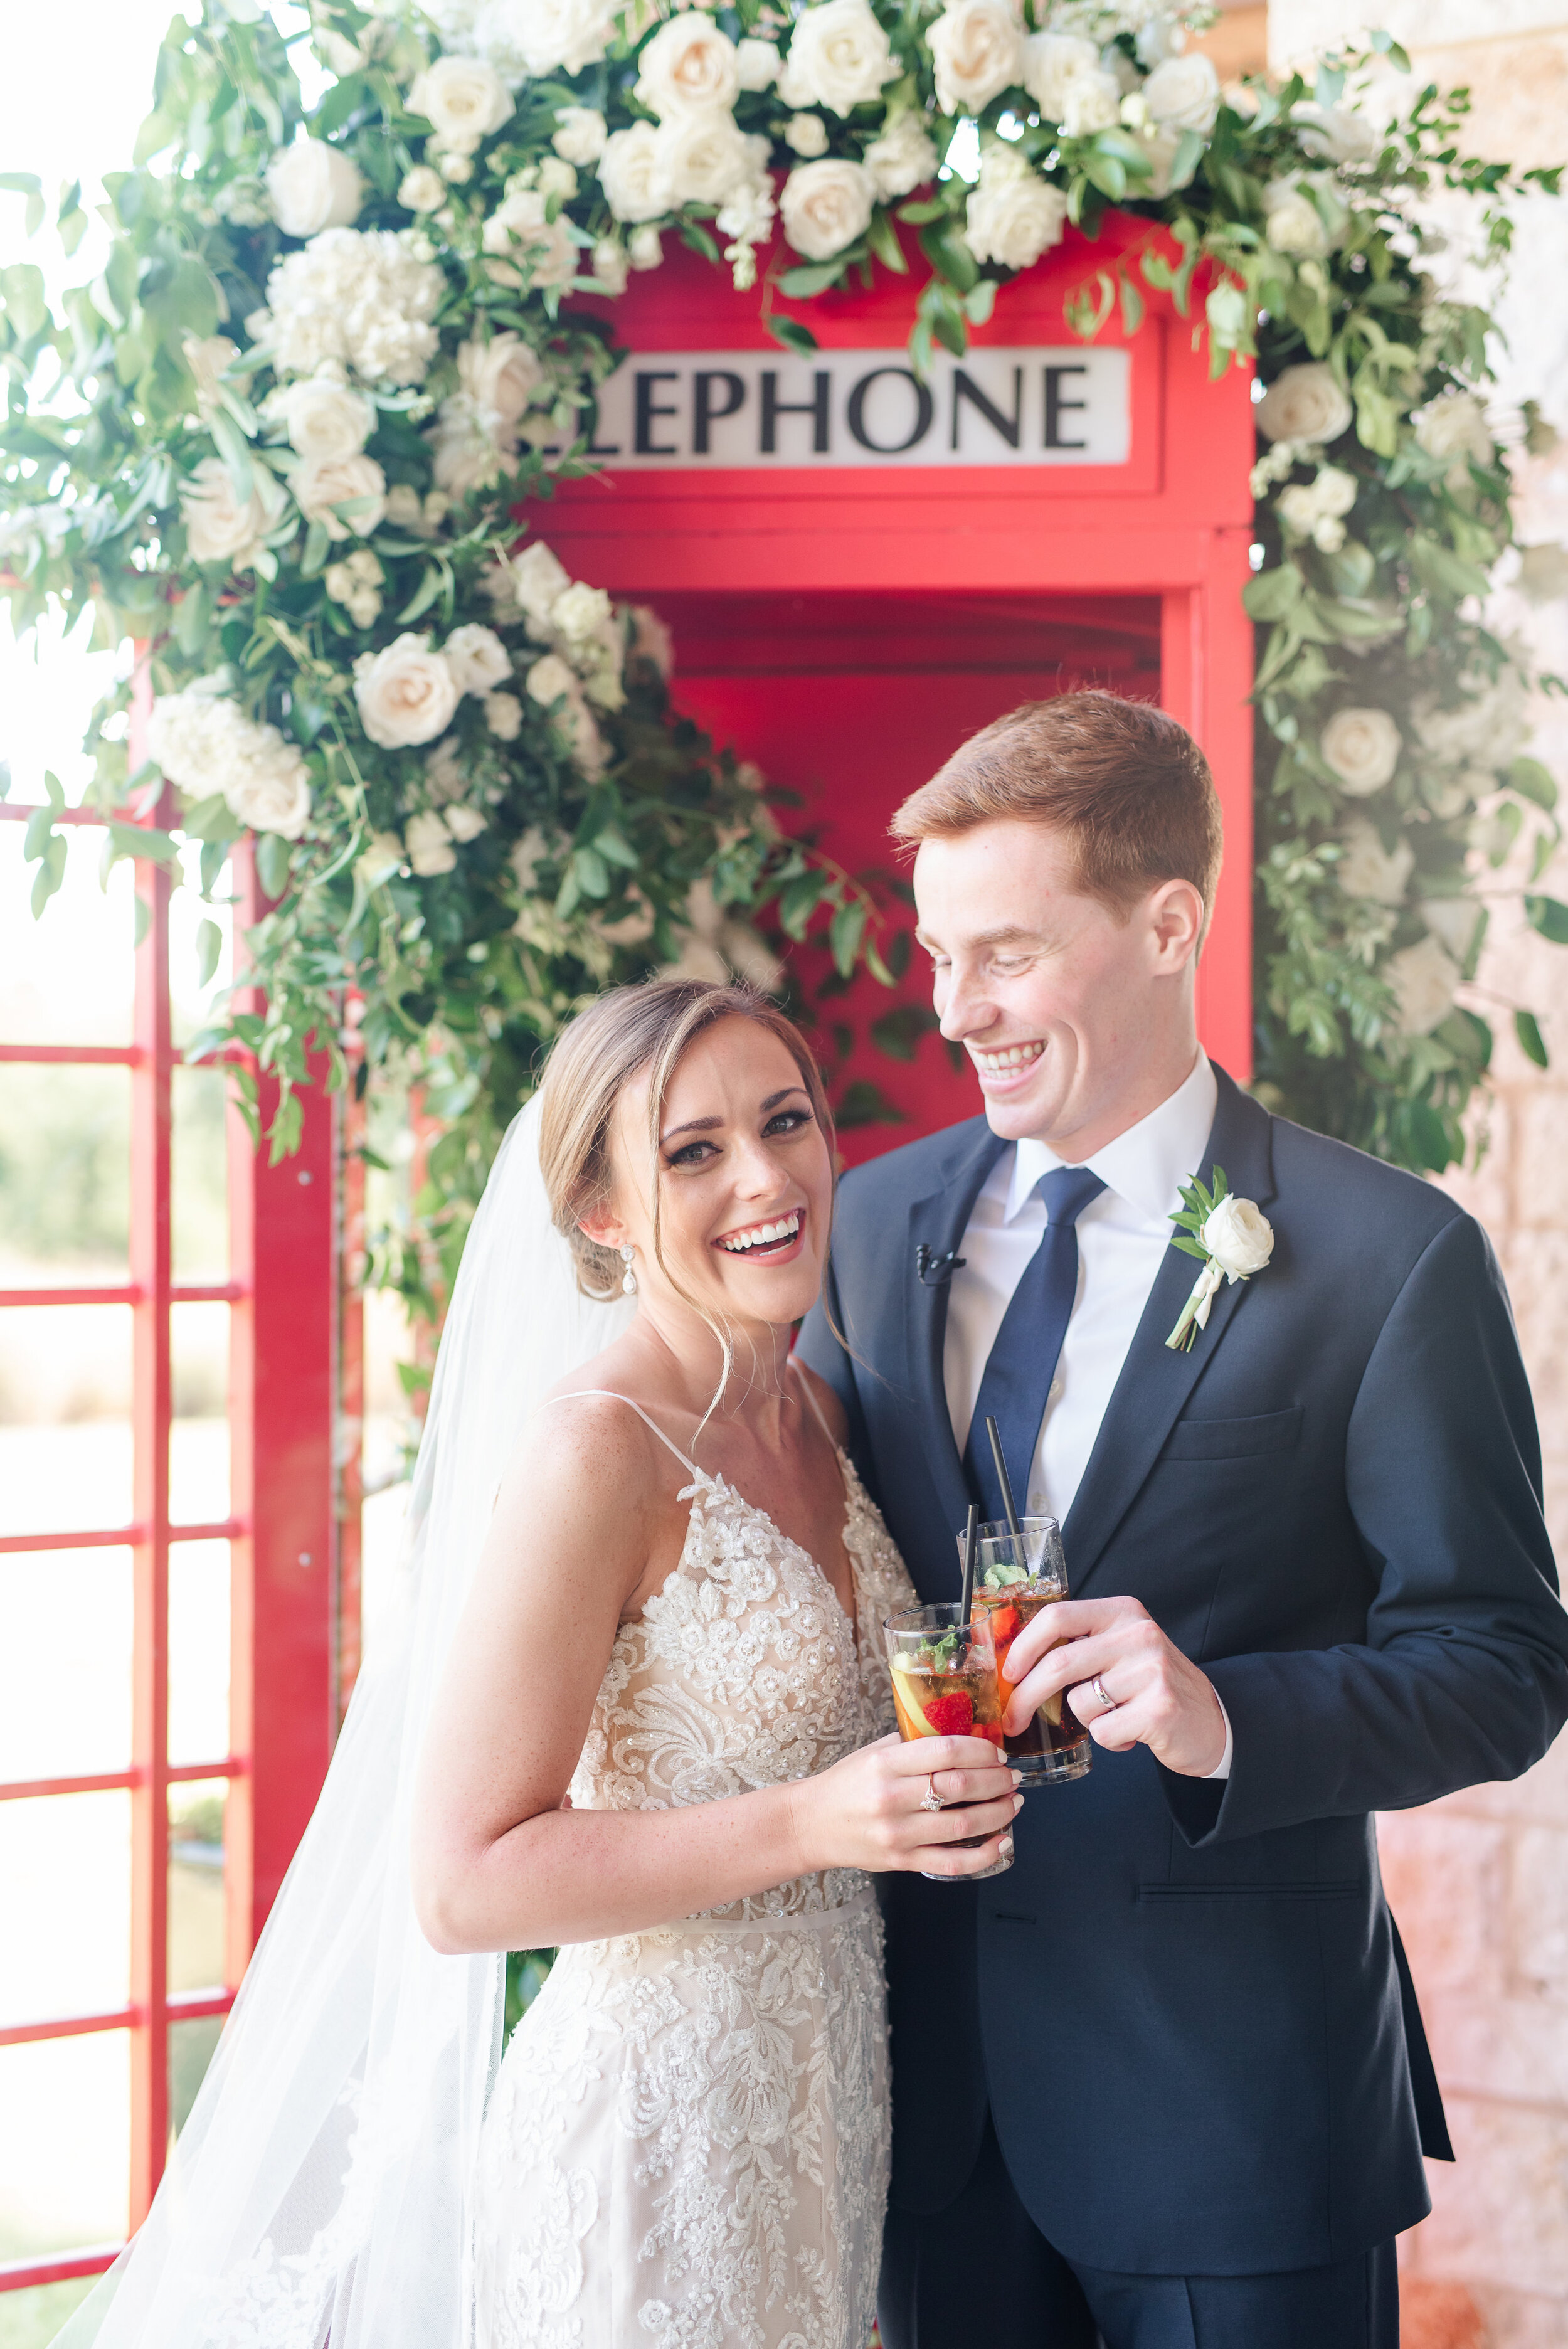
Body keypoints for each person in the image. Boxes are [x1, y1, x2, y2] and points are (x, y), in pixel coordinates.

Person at [56, 977, 1015, 2349]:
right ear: (602, 1213)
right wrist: (816, 1819)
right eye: (692, 1150)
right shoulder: (596, 1453)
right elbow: (461, 1882)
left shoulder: (818, 1411)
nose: (764, 1174)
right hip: (647, 2141)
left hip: (824, 2118)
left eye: (783, 1120)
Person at [797, 690, 1568, 2349]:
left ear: (1167, 925)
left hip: (1237, 2118)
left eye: (1004, 953)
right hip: (928, 2119)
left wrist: (1224, 1714)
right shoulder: (870, 1226)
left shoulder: (1385, 1257)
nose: (958, 1012)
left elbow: (1501, 1664)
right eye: (939, 957)